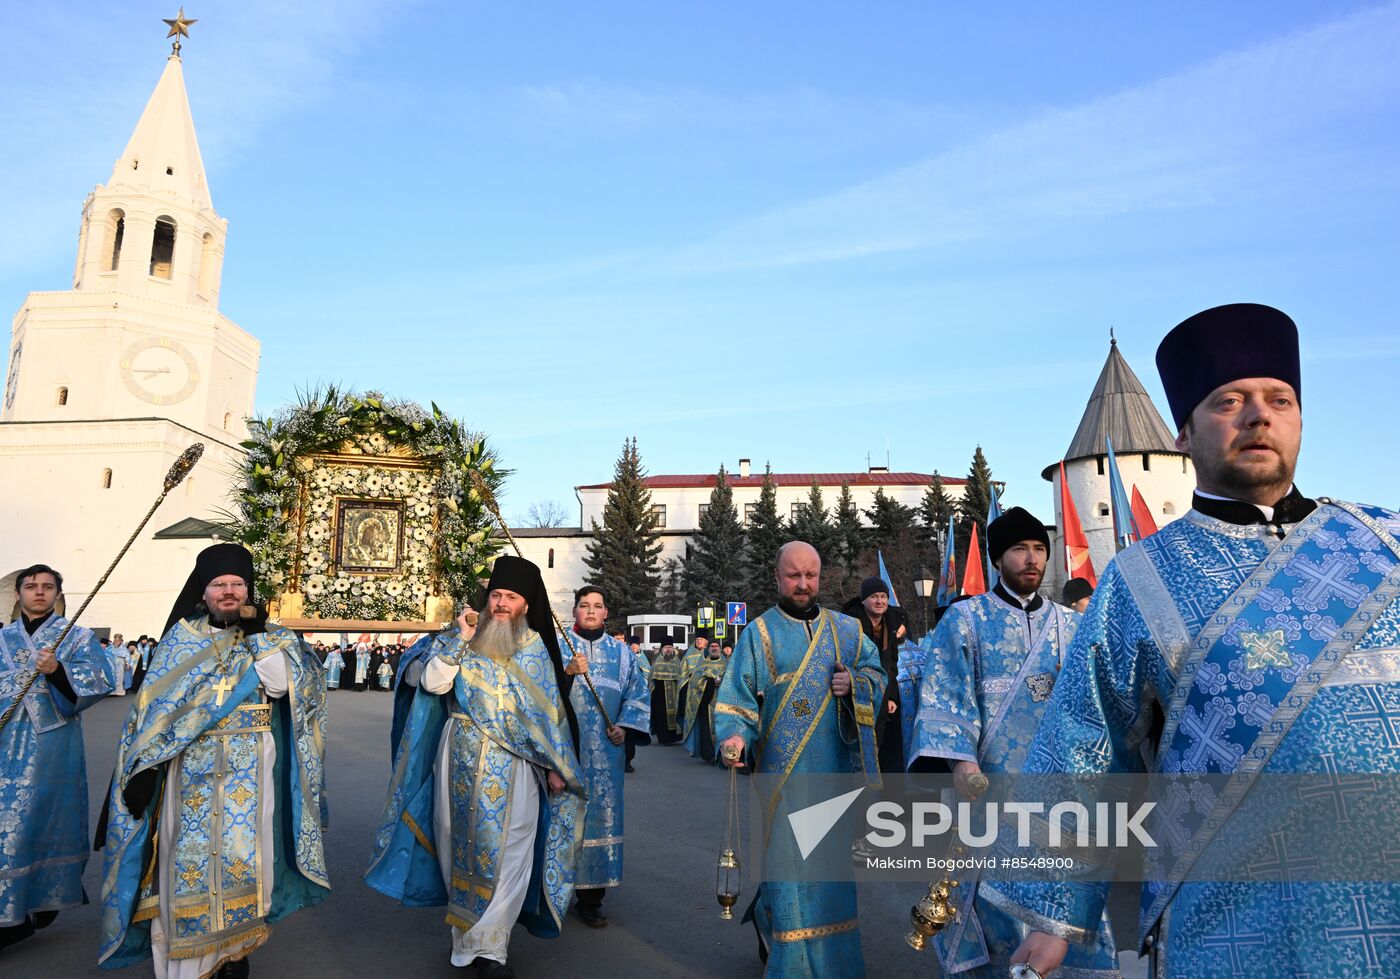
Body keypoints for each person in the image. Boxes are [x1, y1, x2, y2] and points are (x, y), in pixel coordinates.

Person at [1001, 303, 1400, 978]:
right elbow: (1083, 741)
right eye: (1229, 401)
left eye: (1279, 398)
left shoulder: (1383, 542)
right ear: (1182, 434)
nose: (1258, 415)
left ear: (1299, 418)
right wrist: (1053, 910)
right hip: (1235, 919)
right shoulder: (1142, 577)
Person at [98, 543, 328, 979]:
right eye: (219, 585)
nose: (228, 592)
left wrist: (258, 635)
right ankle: (185, 962)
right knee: (182, 866)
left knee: (247, 860)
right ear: (202, 593)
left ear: (249, 590)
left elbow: (283, 689)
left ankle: (234, 952)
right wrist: (144, 771)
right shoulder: (180, 642)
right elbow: (152, 717)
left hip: (251, 774)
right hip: (188, 775)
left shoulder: (272, 637)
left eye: (237, 584)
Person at [907, 508, 1120, 977]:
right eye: (1020, 550)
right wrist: (960, 762)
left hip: (1057, 792)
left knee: (1059, 897)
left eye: (1040, 550)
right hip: (987, 787)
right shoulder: (966, 620)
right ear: (998, 558)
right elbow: (945, 695)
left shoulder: (1071, 624)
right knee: (989, 902)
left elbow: (1093, 703)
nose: (1032, 560)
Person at [367, 556, 584, 978]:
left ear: (526, 604)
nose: (501, 604)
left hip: (518, 766)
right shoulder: (460, 635)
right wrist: (461, 639)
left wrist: (557, 766)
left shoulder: (536, 648)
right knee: (455, 840)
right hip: (457, 756)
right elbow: (431, 683)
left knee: (512, 848)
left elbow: (549, 717)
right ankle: (466, 940)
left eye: (511, 597)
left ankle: (492, 948)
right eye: (496, 595)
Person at [715, 541, 886, 977]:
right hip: (782, 776)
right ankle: (790, 962)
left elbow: (877, 673)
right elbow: (736, 699)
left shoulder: (848, 631)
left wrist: (857, 683)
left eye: (811, 575)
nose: (804, 583)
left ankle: (834, 964)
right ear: (777, 577)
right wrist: (733, 737)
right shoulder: (759, 633)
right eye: (794, 575)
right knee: (789, 870)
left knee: (831, 877)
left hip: (834, 775)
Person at [0, 564, 113, 953]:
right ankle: (13, 909)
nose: (39, 592)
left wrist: (56, 670)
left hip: (51, 743)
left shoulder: (77, 637)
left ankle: (33, 903)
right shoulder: (3, 638)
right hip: (4, 740)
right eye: (31, 586)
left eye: (47, 587)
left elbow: (101, 681)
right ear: (18, 593)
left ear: (57, 594)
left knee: (38, 819)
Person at [561, 587, 651, 927]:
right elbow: (539, 694)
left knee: (600, 821)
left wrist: (625, 727)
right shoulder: (557, 646)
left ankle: (591, 899)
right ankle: (553, 893)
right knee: (561, 820)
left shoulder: (623, 654)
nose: (590, 611)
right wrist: (566, 672)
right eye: (584, 605)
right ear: (575, 611)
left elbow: (637, 692)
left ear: (605, 613)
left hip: (605, 757)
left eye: (596, 606)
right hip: (565, 752)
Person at [842, 576, 910, 776]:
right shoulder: (850, 625)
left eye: (883, 596)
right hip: (855, 697)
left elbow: (892, 664)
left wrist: (891, 696)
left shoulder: (892, 623)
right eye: (873, 596)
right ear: (863, 600)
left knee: (875, 753)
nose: (879, 601)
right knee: (858, 757)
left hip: (881, 699)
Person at [680, 642, 726, 762]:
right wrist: (710, 682)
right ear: (708, 649)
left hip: (724, 704)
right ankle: (709, 754)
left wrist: (722, 681)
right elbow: (695, 682)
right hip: (707, 702)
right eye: (712, 647)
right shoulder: (702, 664)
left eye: (716, 646)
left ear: (720, 649)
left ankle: (722, 754)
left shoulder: (727, 664)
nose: (714, 648)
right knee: (707, 729)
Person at [647, 643, 685, 745]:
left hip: (675, 694)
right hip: (660, 695)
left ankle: (674, 737)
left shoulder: (678, 662)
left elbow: (682, 677)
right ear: (662, 649)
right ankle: (663, 738)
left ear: (673, 649)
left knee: (675, 714)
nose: (668, 649)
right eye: (666, 647)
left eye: (670, 647)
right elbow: (652, 680)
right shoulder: (657, 663)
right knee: (661, 716)